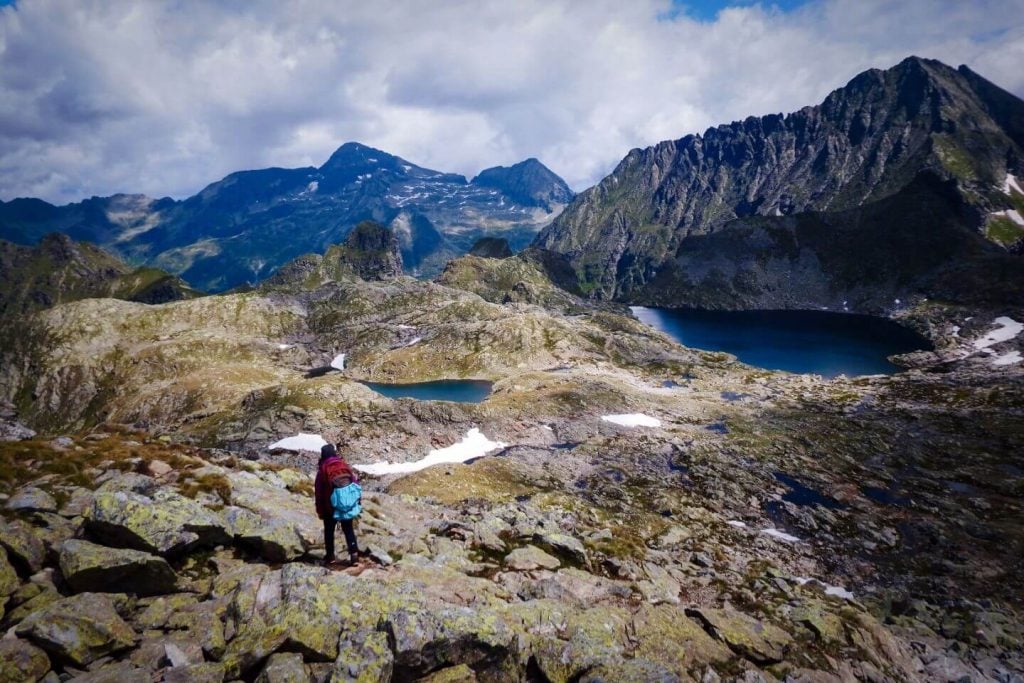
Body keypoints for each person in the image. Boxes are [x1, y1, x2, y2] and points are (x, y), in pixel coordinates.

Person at [314, 442, 361, 566]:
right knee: (348, 530)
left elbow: (319, 492)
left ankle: (330, 557)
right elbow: (355, 484)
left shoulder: (323, 469)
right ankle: (354, 556)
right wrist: (357, 502)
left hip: (330, 506)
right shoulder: (343, 465)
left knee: (329, 531)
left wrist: (320, 510)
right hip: (347, 504)